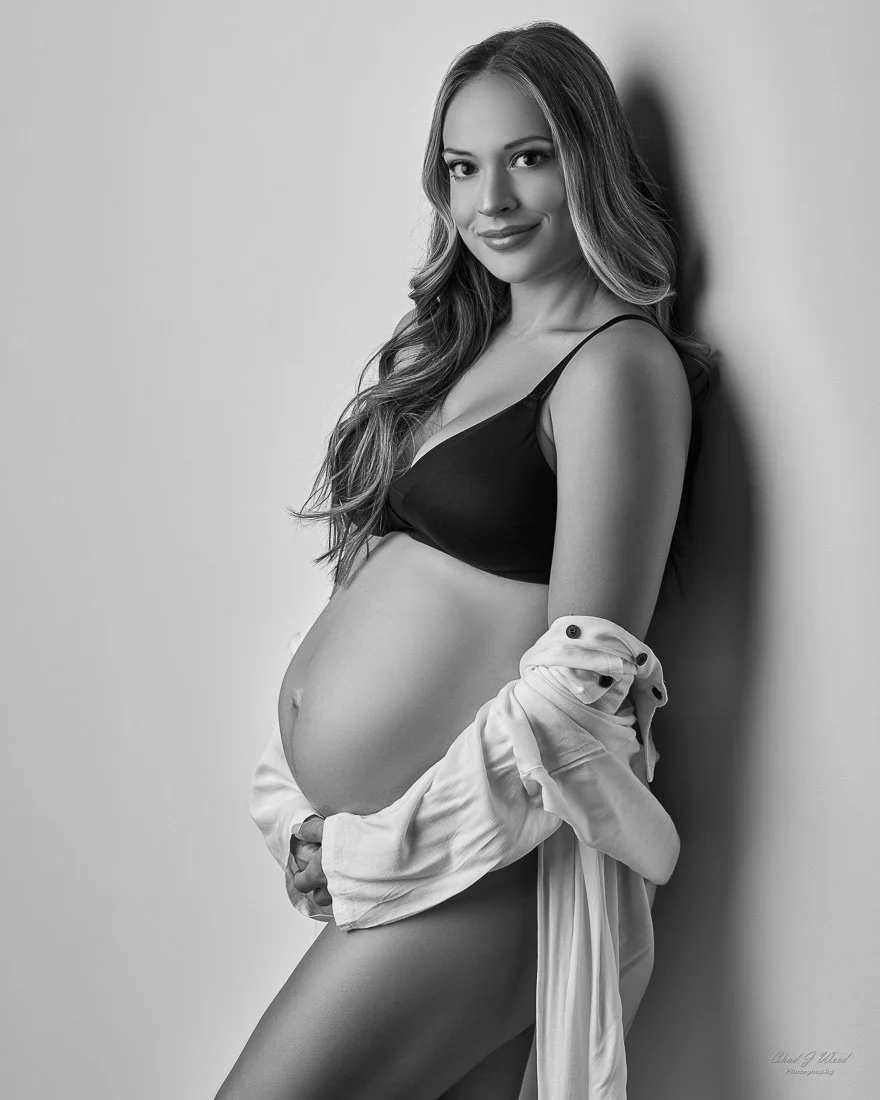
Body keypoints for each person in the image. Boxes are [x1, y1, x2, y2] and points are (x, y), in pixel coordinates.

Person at [216, 19, 716, 1100]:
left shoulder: (615, 366)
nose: (489, 201)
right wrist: (299, 807)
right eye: (460, 167)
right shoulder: (468, 348)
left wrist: (370, 853)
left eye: (527, 158)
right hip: (404, 858)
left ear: (586, 160)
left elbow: (582, 693)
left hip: (477, 875)